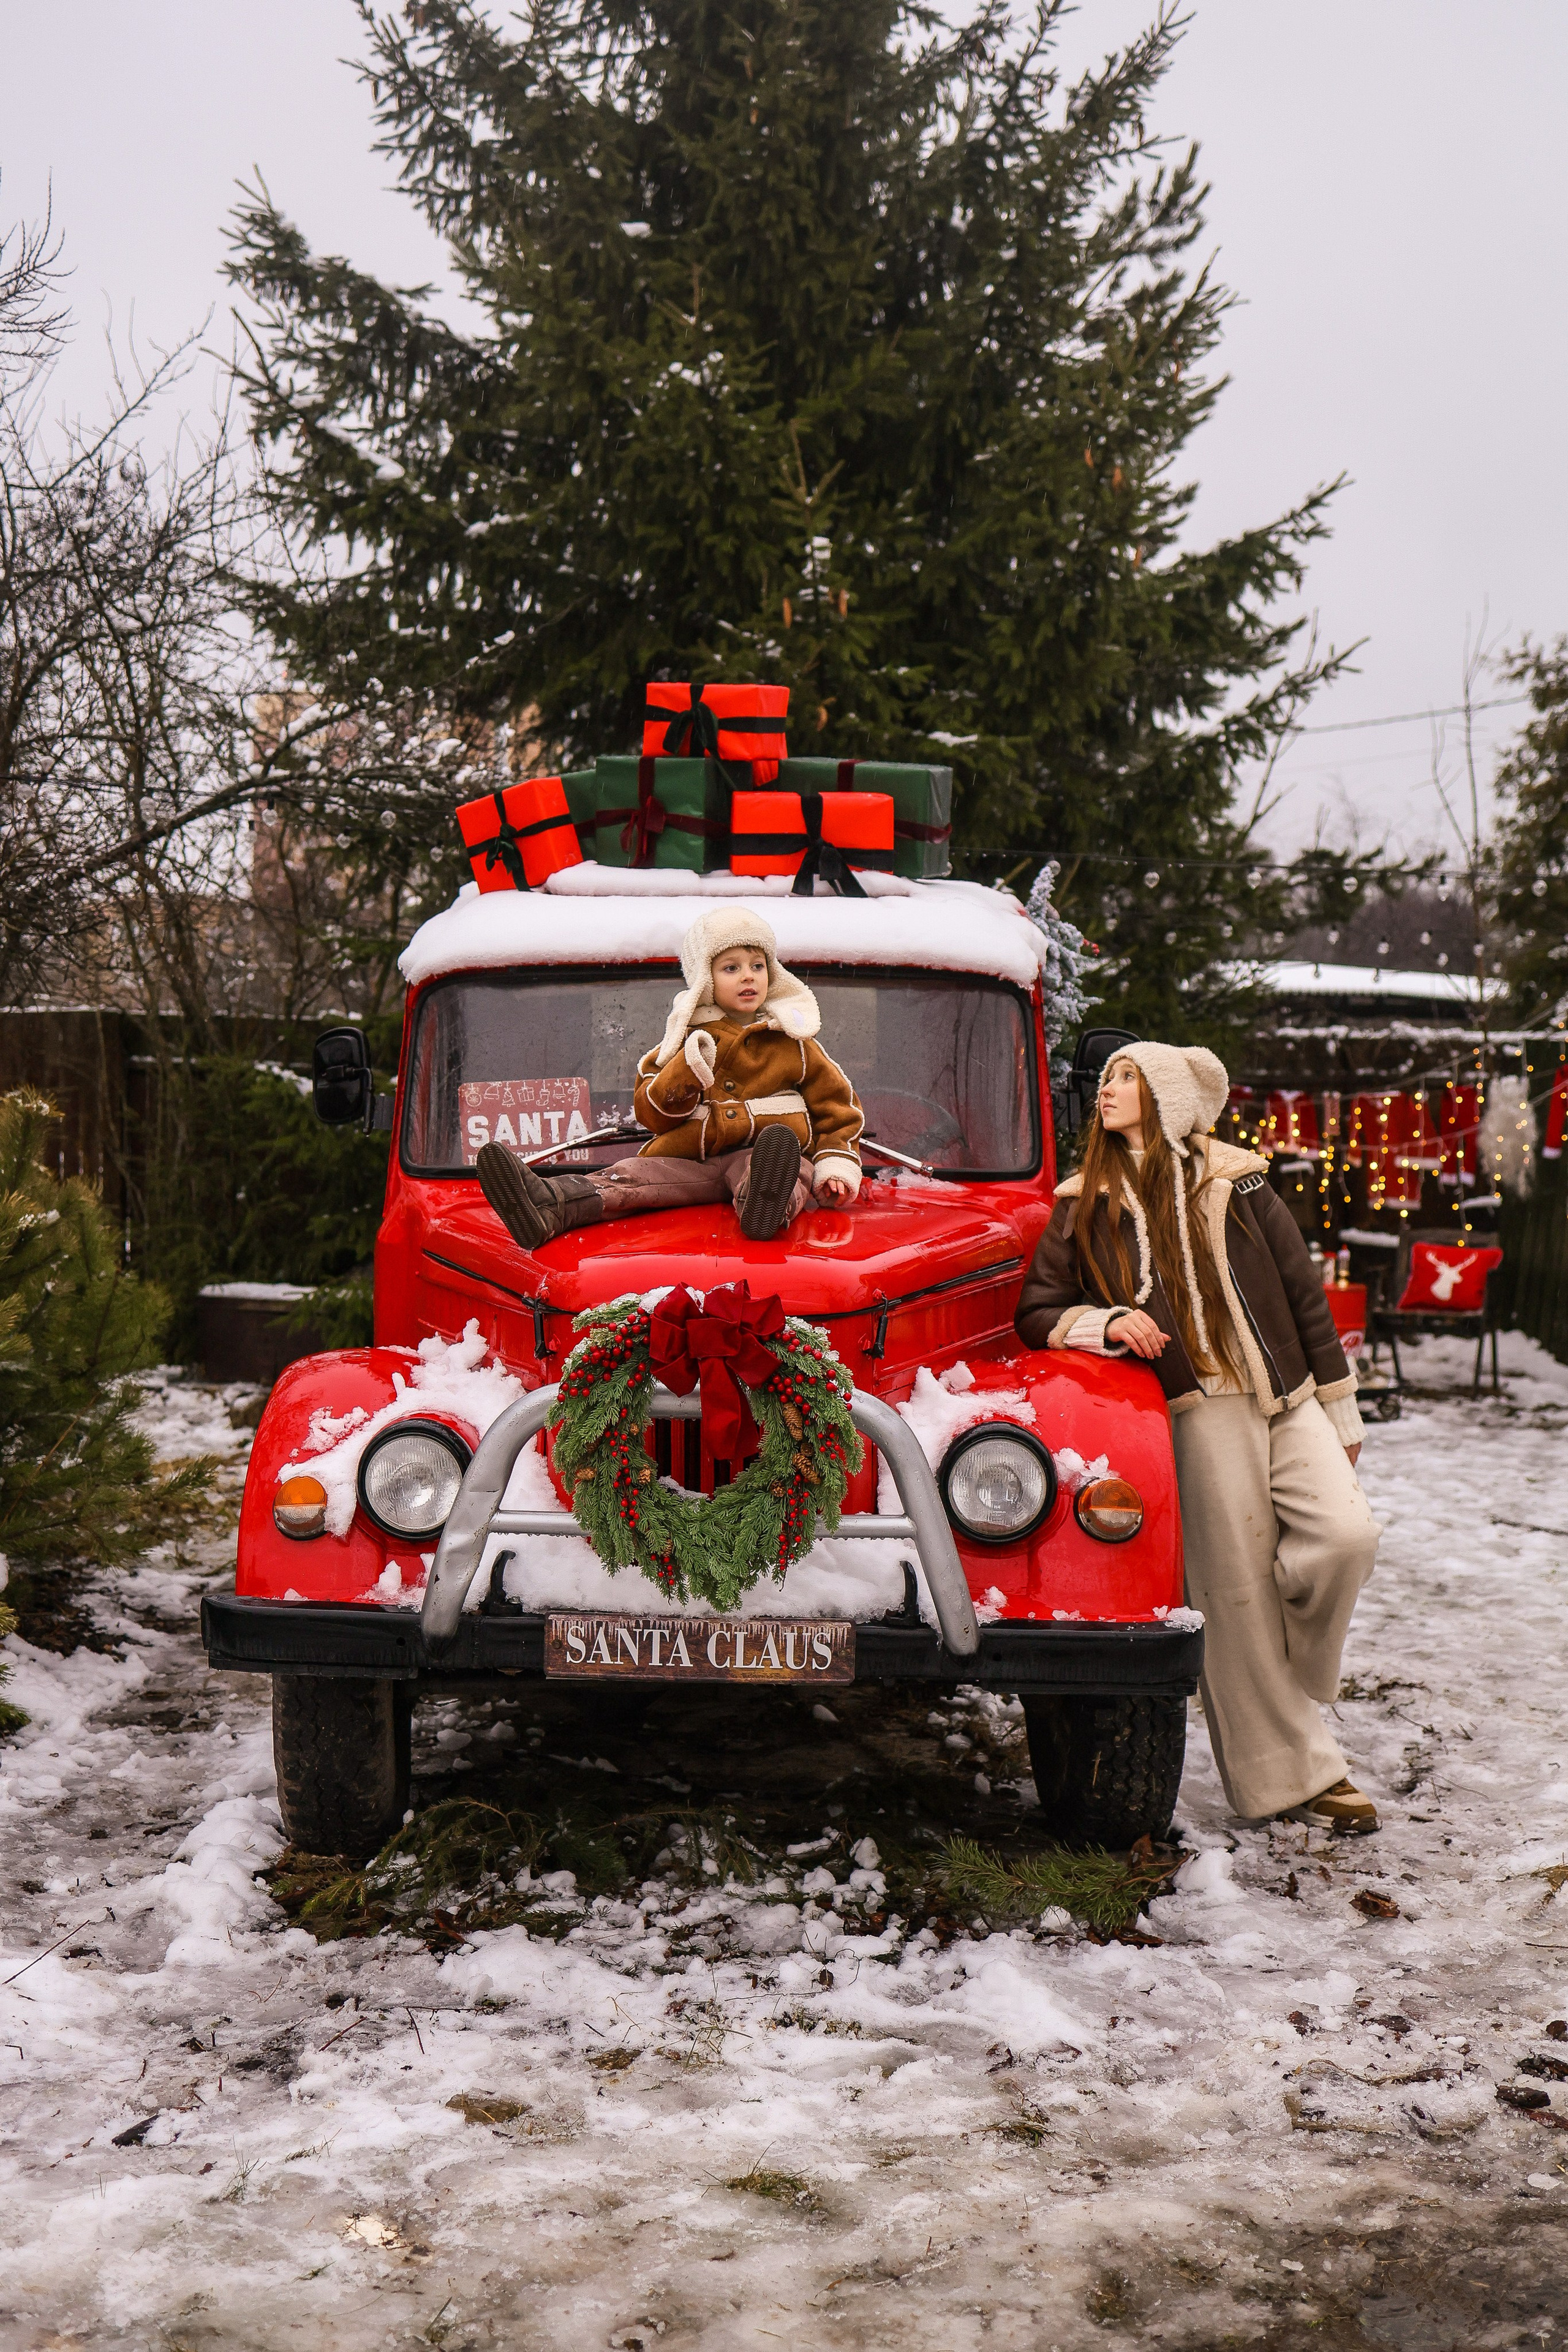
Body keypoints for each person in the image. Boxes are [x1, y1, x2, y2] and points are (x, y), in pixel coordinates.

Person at [1016, 1042, 1382, 1835]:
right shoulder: (1085, 1199)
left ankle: (1304, 1670)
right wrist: (1106, 1321)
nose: (1107, 1091)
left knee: (1347, 1537)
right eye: (1107, 1077)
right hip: (1197, 1409)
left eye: (1126, 1078)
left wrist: (1339, 1408)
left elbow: (1301, 1294)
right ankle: (1298, 1778)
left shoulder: (1238, 1180)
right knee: (1236, 1597)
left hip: (1282, 1394)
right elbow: (1037, 1312)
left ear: (1170, 1095)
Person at [475, 906, 865, 1249]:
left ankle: (765, 1205)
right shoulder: (681, 1042)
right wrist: (686, 1072)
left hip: (763, 1154)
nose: (748, 977)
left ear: (772, 973)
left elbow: (839, 1109)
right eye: (732, 968)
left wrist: (836, 1165)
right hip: (690, 1159)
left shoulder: (795, 1042)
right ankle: (548, 1205)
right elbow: (651, 1114)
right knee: (632, 1176)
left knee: (791, 1166)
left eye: (757, 966)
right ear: (706, 979)